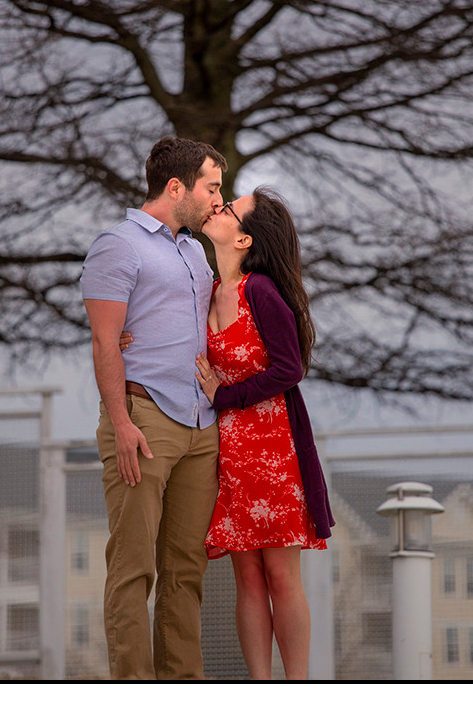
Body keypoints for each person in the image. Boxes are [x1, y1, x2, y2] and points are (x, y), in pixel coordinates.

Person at [80, 135, 227, 681]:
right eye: (211, 186)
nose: (218, 197)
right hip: (143, 421)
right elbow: (104, 341)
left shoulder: (194, 248)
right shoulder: (118, 245)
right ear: (176, 186)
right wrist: (120, 422)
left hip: (201, 426)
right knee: (133, 568)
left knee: (185, 573)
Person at [194, 187, 334, 680]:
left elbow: (289, 369)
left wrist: (224, 397)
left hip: (274, 451)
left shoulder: (261, 291)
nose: (219, 206)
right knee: (247, 580)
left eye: (230, 207)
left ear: (244, 238)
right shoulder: (206, 289)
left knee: (279, 576)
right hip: (228, 453)